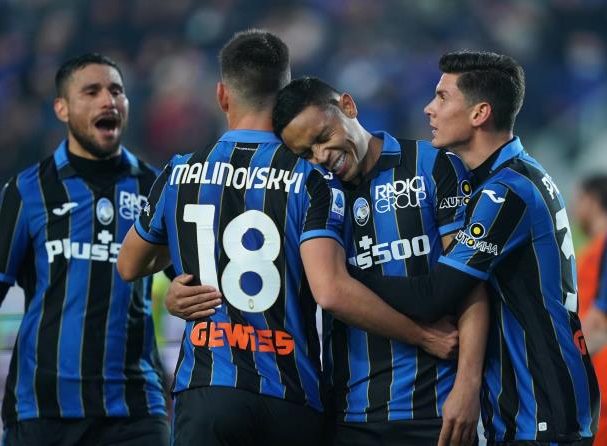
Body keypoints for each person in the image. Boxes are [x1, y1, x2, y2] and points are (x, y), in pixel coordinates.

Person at [117, 29, 458, 446]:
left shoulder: (180, 172)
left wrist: (184, 277)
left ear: (222, 95)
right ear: (285, 96)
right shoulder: (313, 178)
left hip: (208, 387)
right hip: (292, 393)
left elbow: (129, 265)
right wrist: (424, 335)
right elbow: (330, 289)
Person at [340, 51, 599, 445]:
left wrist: (343, 278)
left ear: (480, 113)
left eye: (443, 97)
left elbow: (435, 295)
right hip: (537, 401)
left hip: (540, 406)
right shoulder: (519, 174)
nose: (429, 108)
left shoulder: (505, 192)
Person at [0, 53, 169, 446]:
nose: (108, 100)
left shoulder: (157, 188)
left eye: (116, 91)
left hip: (135, 410)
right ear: (62, 108)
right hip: (42, 411)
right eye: (91, 91)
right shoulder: (27, 190)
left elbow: (190, 275)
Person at [268, 76, 488, 446]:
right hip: (350, 415)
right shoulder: (314, 196)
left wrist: (469, 384)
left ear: (348, 106)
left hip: (437, 409)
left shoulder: (431, 164)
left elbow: (471, 283)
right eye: (305, 153)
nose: (320, 156)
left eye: (323, 136)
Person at [573, 174, 607, 446]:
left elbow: (598, 324)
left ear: (592, 201)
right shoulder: (593, 250)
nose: (574, 208)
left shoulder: (601, 249)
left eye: (578, 199)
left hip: (600, 378)